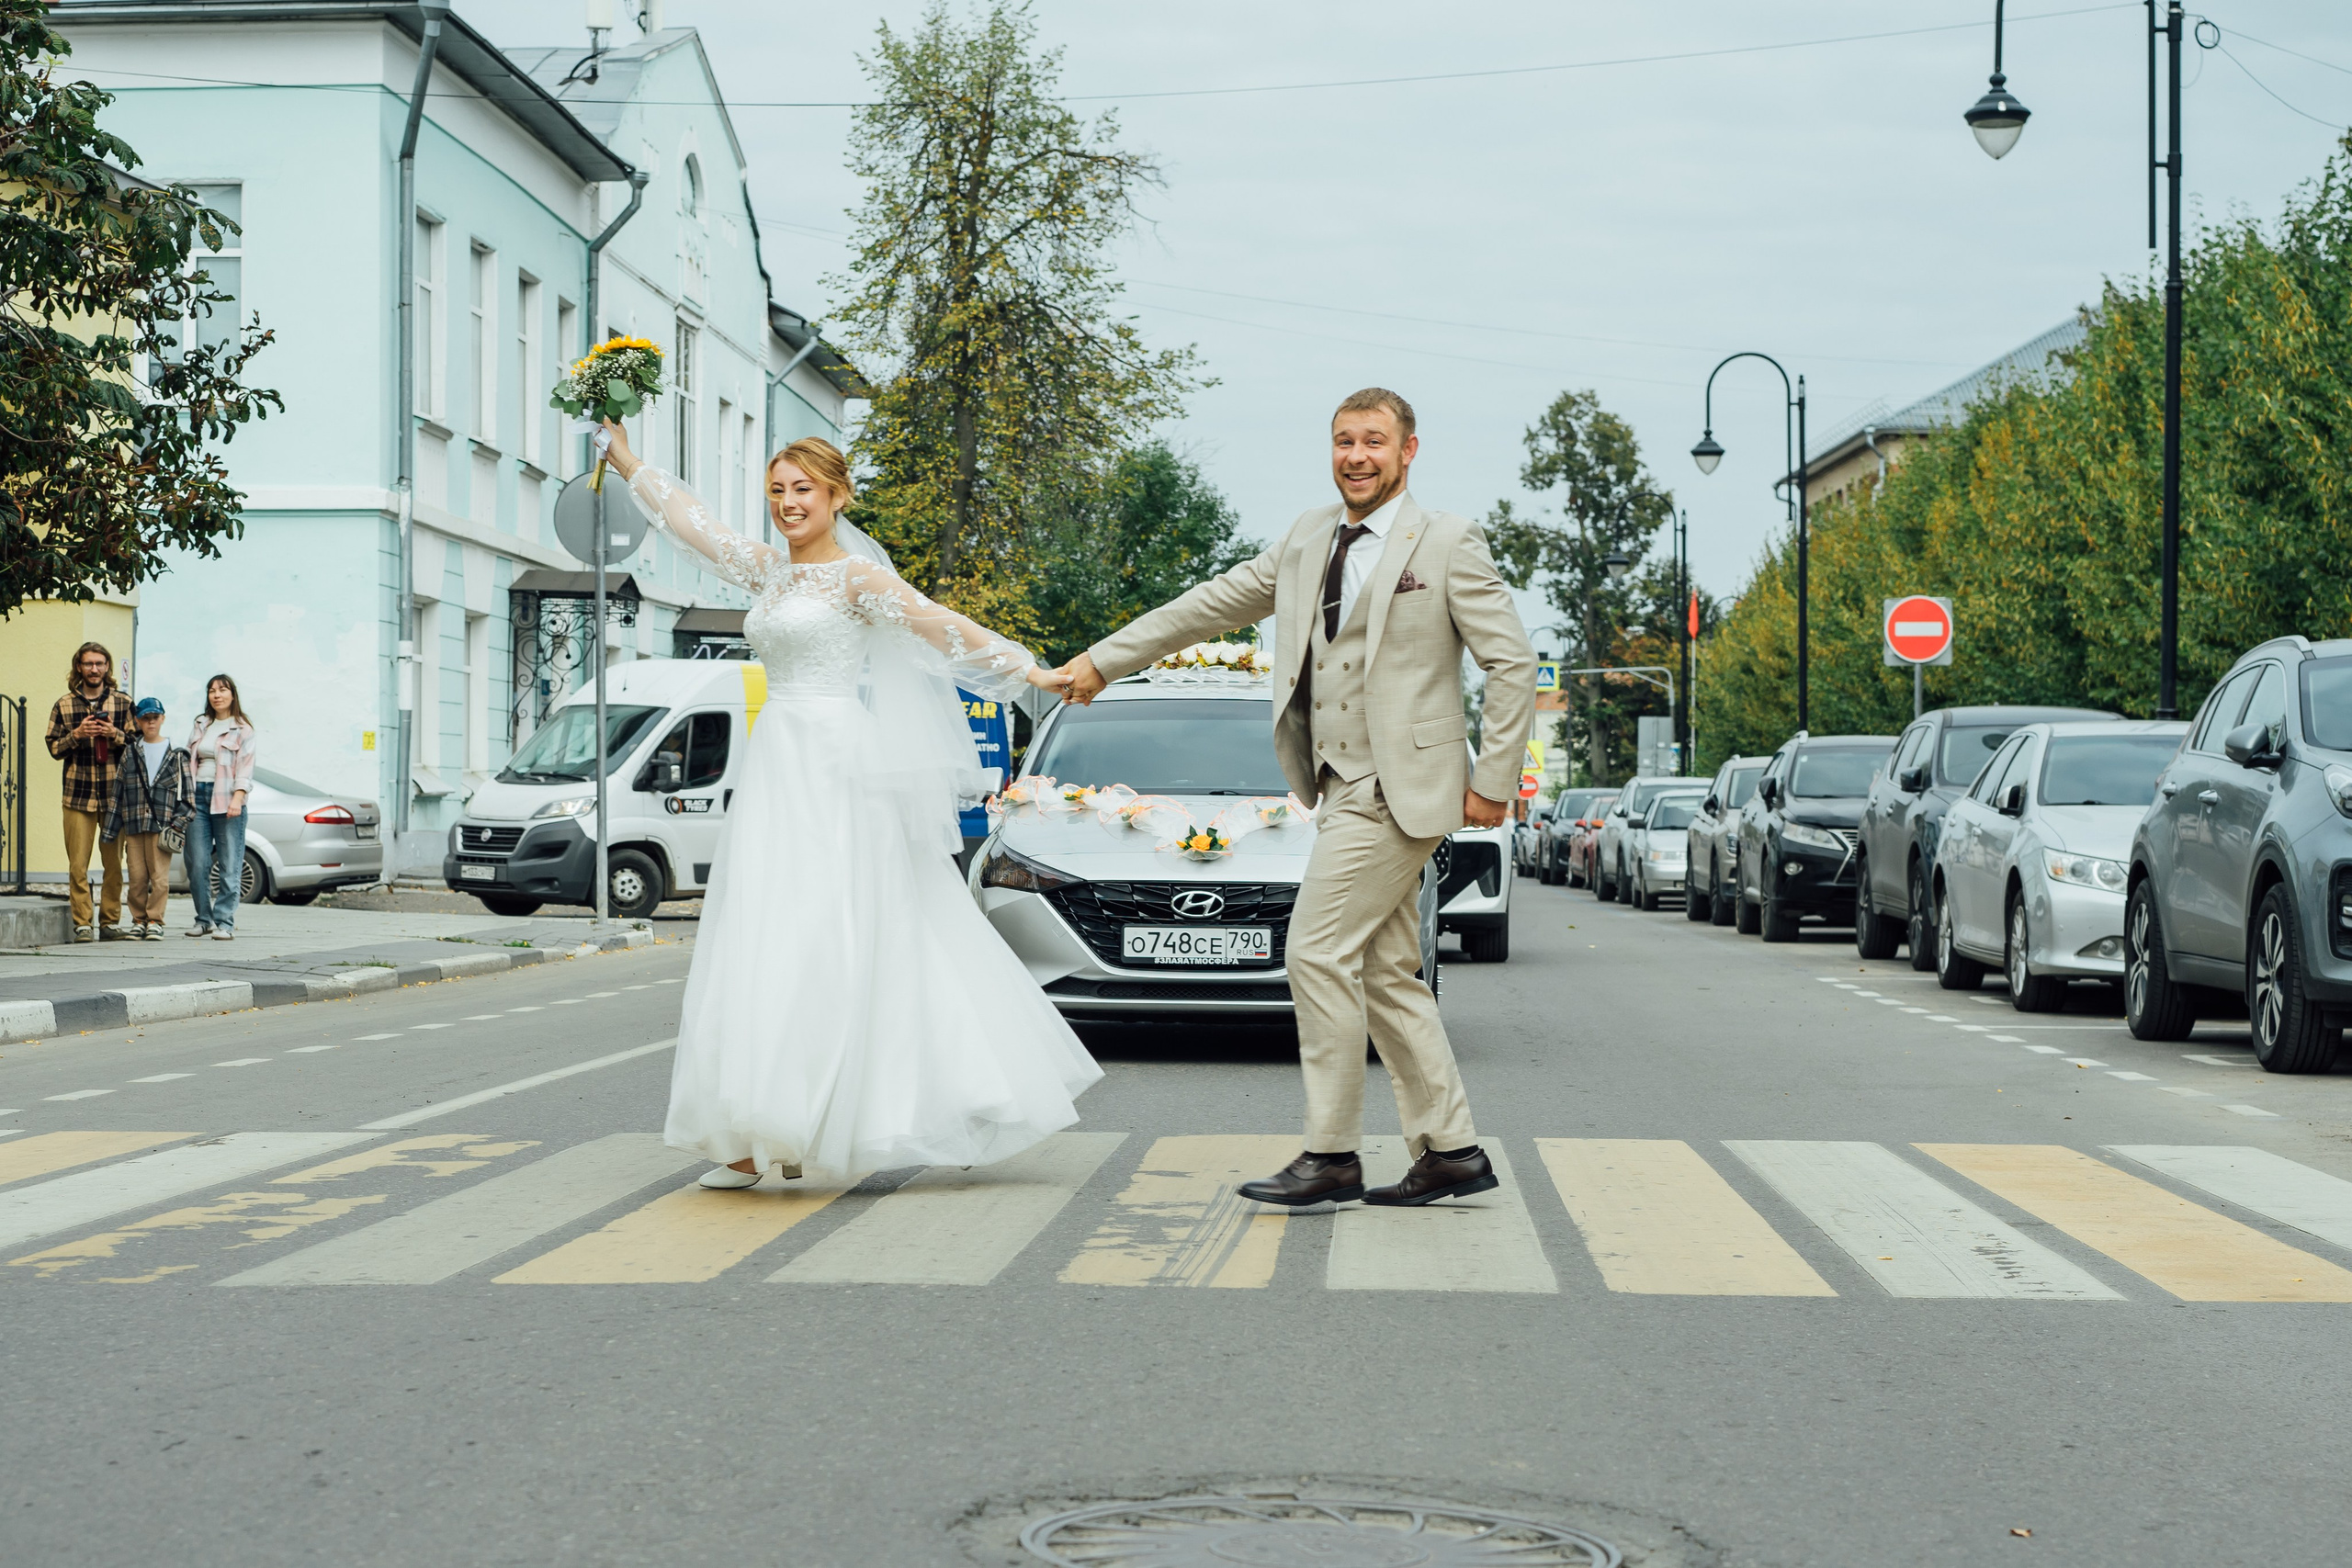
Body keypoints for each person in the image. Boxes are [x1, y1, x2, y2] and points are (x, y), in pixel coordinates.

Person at [1059, 389, 1537, 1208]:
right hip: (1340, 782)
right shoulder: (1310, 535)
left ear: (1408, 451)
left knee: (1313, 952)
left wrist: (1492, 782)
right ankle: (1450, 1148)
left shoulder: (1450, 542)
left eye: (1375, 442)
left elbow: (1514, 663)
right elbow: (1209, 602)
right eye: (1345, 441)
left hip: (1402, 788)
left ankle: (1332, 1153)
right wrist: (1106, 659)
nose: (1357, 456)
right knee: (1388, 972)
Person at [594, 420, 1097, 1188]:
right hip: (777, 767)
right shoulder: (768, 572)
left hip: (837, 765)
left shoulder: (858, 579)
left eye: (803, 490)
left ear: (836, 496)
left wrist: (1034, 671)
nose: (788, 504)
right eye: (777, 492)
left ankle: (856, 1109)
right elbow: (694, 526)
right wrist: (627, 459)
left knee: (842, 932)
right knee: (762, 932)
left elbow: (941, 628)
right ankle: (754, 1131)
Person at [44, 641, 138, 942]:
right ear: (79, 668)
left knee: (113, 865)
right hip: (77, 795)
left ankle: (109, 923)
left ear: (107, 667)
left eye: (99, 663)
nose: (94, 669)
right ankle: (83, 924)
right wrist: (77, 734)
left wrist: (115, 734)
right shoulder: (64, 704)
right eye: (88, 664)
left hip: (114, 796)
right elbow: (54, 747)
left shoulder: (123, 703)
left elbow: (138, 747)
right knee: (77, 865)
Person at [104, 697, 194, 941]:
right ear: (138, 721)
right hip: (134, 824)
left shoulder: (177, 755)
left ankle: (155, 920)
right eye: (145, 718)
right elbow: (118, 793)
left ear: (163, 718)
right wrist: (110, 831)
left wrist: (177, 825)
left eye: (155, 717)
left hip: (162, 826)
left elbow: (188, 798)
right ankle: (138, 920)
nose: (151, 722)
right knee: (136, 878)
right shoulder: (131, 752)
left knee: (160, 878)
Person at [183, 674, 257, 941]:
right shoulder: (201, 724)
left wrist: (237, 799)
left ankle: (225, 922)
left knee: (229, 864)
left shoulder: (243, 729)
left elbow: (245, 769)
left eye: (222, 690)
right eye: (212, 690)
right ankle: (203, 919)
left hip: (227, 799)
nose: (217, 695)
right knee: (198, 863)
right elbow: (189, 762)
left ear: (232, 695)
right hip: (197, 799)